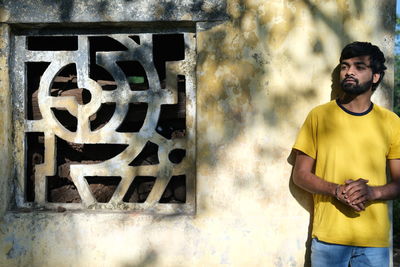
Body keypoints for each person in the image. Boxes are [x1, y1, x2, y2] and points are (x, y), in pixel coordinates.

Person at [293, 41, 400, 267]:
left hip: (375, 242)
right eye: (344, 66)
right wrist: (336, 190)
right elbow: (300, 175)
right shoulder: (319, 116)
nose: (349, 71)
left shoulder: (391, 122)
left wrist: (372, 192)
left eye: (359, 66)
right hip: (328, 240)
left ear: (376, 76)